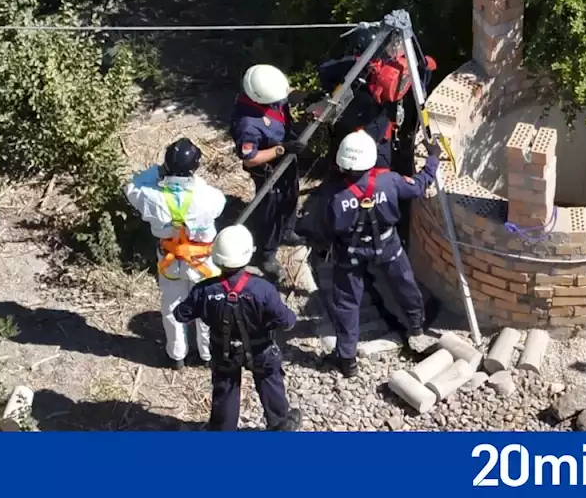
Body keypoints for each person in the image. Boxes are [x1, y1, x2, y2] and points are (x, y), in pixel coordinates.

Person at [296, 130, 441, 377]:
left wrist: (322, 244)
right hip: (388, 247)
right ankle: (416, 327)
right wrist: (433, 159)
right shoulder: (390, 181)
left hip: (350, 254)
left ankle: (347, 359)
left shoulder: (330, 195)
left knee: (347, 303)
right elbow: (418, 187)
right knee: (404, 284)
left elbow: (317, 229)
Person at [173, 225, 302, 431]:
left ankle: (223, 430)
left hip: (223, 349)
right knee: (269, 380)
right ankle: (279, 423)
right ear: (248, 254)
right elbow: (287, 321)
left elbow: (181, 314)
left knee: (225, 387)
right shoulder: (263, 289)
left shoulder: (204, 290)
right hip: (262, 349)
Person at [122, 138, 225, 370]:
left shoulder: (148, 195)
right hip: (202, 262)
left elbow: (130, 187)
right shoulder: (209, 197)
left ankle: (176, 354)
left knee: (171, 307)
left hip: (171, 262)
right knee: (206, 308)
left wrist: (157, 172)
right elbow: (220, 205)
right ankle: (207, 354)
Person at [315, 26, 436, 173]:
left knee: (343, 168)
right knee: (381, 171)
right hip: (381, 130)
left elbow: (324, 71)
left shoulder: (349, 66)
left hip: (353, 128)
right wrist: (423, 66)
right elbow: (422, 78)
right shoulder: (393, 66)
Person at [231, 64, 307, 281]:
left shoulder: (269, 87)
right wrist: (281, 149)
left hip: (286, 157)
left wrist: (309, 97)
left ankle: (288, 231)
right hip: (268, 168)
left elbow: (288, 94)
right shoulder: (248, 124)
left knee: (291, 193)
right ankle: (267, 254)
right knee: (270, 210)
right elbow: (250, 158)